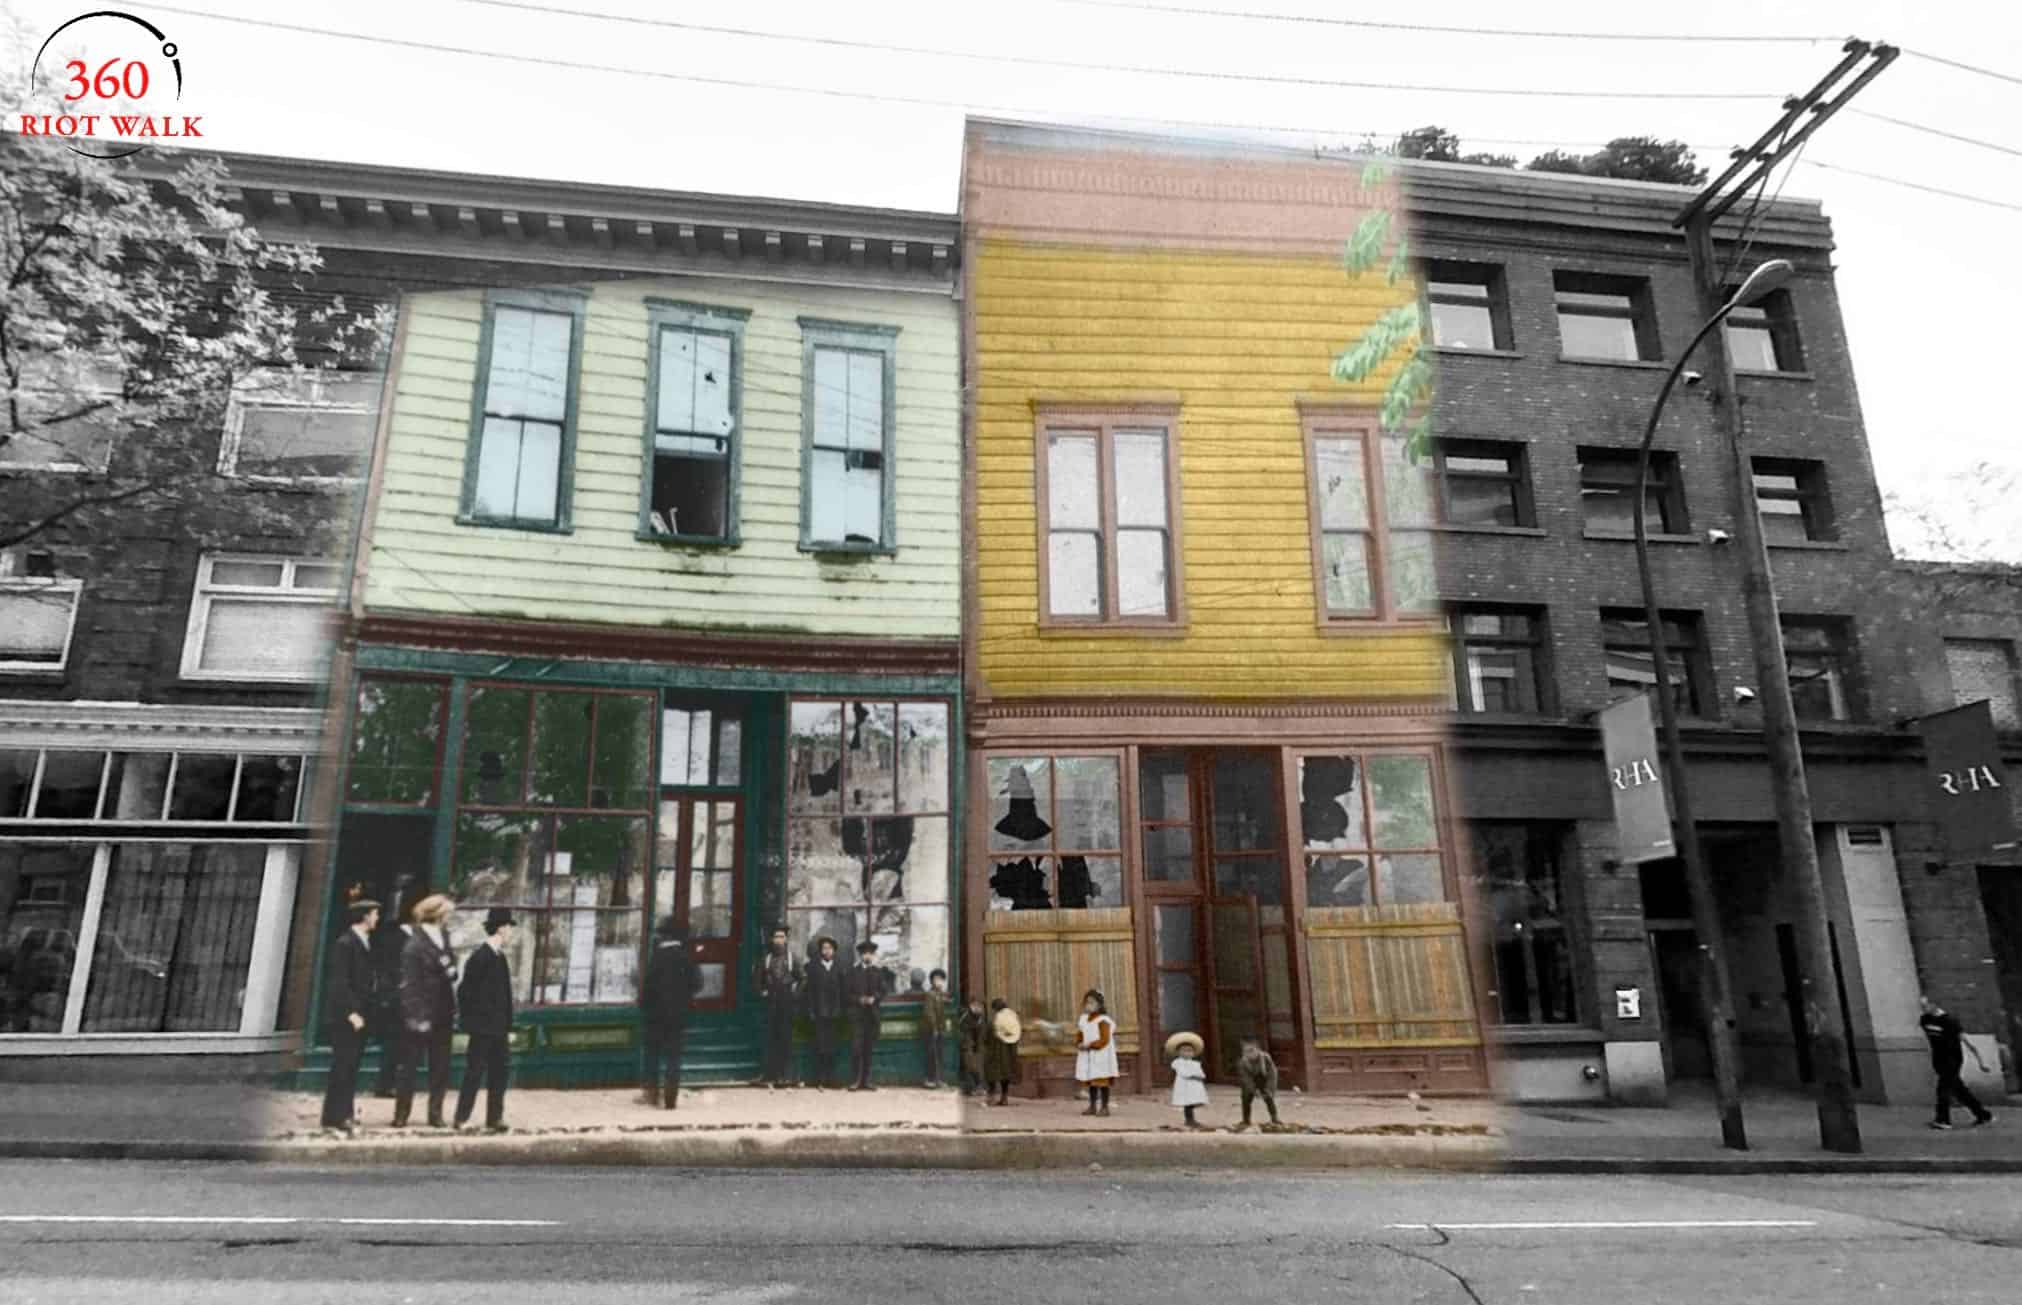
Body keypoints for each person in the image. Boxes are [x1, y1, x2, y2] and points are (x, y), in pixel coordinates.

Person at [393, 894, 458, 1129]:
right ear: (438, 914)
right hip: (420, 1013)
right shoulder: (414, 943)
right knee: (409, 1066)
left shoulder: (445, 937)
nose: (449, 917)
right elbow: (409, 983)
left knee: (440, 1066)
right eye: (447, 913)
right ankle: (402, 1114)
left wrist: (451, 970)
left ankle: (435, 1113)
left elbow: (451, 966)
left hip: (443, 1010)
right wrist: (415, 1016)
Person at [320, 888, 380, 1135]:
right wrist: (351, 1012)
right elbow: (339, 983)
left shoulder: (363, 942)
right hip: (347, 1017)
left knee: (351, 1065)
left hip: (360, 1015)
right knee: (343, 1066)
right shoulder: (346, 944)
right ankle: (335, 1116)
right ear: (364, 916)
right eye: (375, 914)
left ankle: (344, 1113)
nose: (377, 918)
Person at [453, 908, 515, 1133]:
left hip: (498, 1028)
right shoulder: (480, 957)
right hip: (482, 1028)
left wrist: (508, 1024)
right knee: (474, 1073)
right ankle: (461, 1118)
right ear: (500, 928)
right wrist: (473, 1022)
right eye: (509, 927)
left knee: (500, 1073)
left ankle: (494, 1117)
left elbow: (505, 995)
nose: (510, 932)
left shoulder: (500, 957)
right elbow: (464, 992)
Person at [642, 915, 702, 1108]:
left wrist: (645, 1005)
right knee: (673, 1057)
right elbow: (697, 983)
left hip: (656, 1015)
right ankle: (670, 1099)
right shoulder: (686, 958)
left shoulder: (656, 958)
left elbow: (647, 986)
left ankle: (651, 1094)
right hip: (678, 1015)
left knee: (653, 1053)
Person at [1919, 994, 1995, 1130]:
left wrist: (1981, 1062)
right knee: (1959, 1090)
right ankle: (1983, 1115)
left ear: (1935, 1005)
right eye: (1922, 1006)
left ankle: (1943, 1120)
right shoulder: (1925, 1019)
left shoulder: (1949, 1022)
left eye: (1926, 1005)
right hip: (1939, 1060)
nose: (1923, 1008)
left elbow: (1968, 1042)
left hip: (1952, 1060)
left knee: (1943, 1089)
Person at [753, 925, 803, 1089]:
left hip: (786, 1003)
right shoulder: (765, 959)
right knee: (769, 1039)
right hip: (770, 1004)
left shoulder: (792, 958)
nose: (779, 940)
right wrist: (762, 992)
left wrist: (795, 993)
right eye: (776, 937)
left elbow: (802, 978)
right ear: (771, 939)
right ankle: (768, 1075)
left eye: (782, 937)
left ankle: (784, 1075)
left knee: (785, 1039)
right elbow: (757, 981)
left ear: (786, 939)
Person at [803, 935, 846, 1088]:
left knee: (833, 1046)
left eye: (829, 948)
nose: (827, 951)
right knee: (820, 1046)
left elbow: (844, 991)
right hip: (819, 1013)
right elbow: (809, 993)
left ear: (834, 951)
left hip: (835, 1014)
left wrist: (842, 1012)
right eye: (824, 948)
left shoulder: (839, 967)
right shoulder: (813, 968)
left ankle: (832, 1078)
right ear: (820, 951)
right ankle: (820, 1078)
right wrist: (811, 1011)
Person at [1074, 989, 1121, 1117]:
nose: (1088, 1005)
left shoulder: (1103, 1020)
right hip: (1088, 1055)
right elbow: (1080, 1034)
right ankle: (1092, 1106)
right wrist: (1079, 1043)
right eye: (1087, 1002)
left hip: (1101, 1055)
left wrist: (1090, 1045)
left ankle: (1105, 1107)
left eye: (1092, 1003)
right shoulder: (1084, 1020)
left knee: (1102, 1082)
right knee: (1092, 1082)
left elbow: (1104, 1040)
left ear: (1099, 1005)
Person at [845, 939, 885, 1091]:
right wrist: (859, 999)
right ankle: (856, 1080)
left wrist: (875, 997)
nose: (867, 956)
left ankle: (867, 1081)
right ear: (860, 955)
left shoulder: (878, 972)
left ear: (873, 956)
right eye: (865, 953)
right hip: (857, 1016)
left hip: (872, 1016)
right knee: (856, 1048)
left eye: (870, 953)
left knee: (868, 1049)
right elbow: (847, 994)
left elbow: (883, 991)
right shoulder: (853, 973)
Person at [1166, 1031, 1209, 1129]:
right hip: (1185, 1085)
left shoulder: (1195, 1063)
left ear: (1193, 1053)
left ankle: (1191, 1119)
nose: (1187, 1053)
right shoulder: (1178, 1062)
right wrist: (1194, 1075)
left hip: (1194, 1086)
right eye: (1184, 1051)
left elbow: (1201, 1074)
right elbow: (1183, 1073)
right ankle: (1189, 1120)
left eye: (1190, 1051)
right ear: (1178, 1052)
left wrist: (1200, 1076)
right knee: (1187, 1102)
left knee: (1193, 1101)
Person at [984, 998, 1022, 1106]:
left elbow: (986, 1038)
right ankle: (1004, 1098)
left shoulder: (994, 1021)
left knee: (991, 1075)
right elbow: (1017, 1035)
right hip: (1009, 1055)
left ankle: (991, 1097)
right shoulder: (1013, 1018)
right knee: (1006, 1076)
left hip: (994, 1054)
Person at [921, 968, 950, 1088]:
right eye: (936, 979)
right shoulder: (930, 994)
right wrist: (934, 1028)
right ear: (932, 981)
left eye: (940, 979)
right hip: (931, 1030)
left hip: (940, 1029)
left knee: (939, 1055)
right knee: (932, 1055)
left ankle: (938, 1080)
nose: (938, 981)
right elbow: (929, 1013)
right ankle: (930, 1080)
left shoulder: (940, 994)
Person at [957, 997, 987, 1096]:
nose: (979, 1008)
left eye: (980, 1006)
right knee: (969, 1065)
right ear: (971, 1005)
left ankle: (976, 1087)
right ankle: (975, 1087)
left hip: (974, 1045)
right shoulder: (967, 1016)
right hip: (967, 1045)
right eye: (977, 1005)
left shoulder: (979, 1017)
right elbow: (963, 1031)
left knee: (972, 1066)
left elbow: (980, 1032)